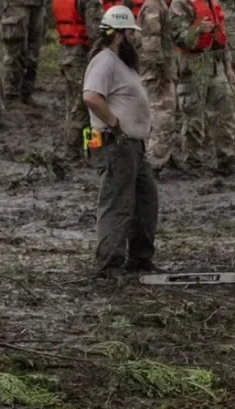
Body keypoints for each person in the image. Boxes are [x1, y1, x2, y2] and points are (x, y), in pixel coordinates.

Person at [82, 5, 158, 277]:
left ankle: (140, 257)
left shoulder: (122, 62)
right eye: (130, 33)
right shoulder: (104, 61)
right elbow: (91, 97)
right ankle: (109, 264)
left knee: (146, 200)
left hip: (133, 146)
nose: (135, 37)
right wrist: (115, 124)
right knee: (117, 203)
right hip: (115, 143)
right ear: (117, 35)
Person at [169, 0, 235, 171]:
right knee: (193, 117)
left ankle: (226, 159)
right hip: (191, 65)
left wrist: (228, 67)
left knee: (225, 111)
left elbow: (222, 38)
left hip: (215, 63)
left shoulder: (213, 2)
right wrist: (198, 29)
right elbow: (178, 37)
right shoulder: (180, 3)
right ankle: (193, 162)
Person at [138, 0, 179, 171]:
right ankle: (154, 161)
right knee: (161, 116)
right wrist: (162, 71)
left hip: (160, 71)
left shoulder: (159, 5)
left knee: (162, 115)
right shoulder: (153, 7)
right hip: (156, 74)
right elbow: (151, 45)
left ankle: (163, 157)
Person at [51, 0, 90, 157]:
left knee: (73, 104)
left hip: (68, 51)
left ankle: (74, 149)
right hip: (81, 53)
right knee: (82, 104)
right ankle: (75, 152)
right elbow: (95, 29)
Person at [0, 0, 46, 104]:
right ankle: (11, 96)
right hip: (16, 5)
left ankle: (26, 94)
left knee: (34, 53)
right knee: (15, 52)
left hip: (38, 5)